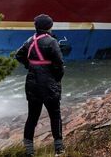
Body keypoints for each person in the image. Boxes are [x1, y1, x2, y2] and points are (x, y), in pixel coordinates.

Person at [15, 14, 65, 156]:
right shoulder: (52, 42)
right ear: (50, 26)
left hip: (32, 84)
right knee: (55, 115)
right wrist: (56, 78)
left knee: (32, 117)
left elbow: (18, 55)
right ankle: (59, 149)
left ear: (36, 26)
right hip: (49, 85)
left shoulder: (30, 40)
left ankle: (29, 151)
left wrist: (30, 66)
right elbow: (59, 64)